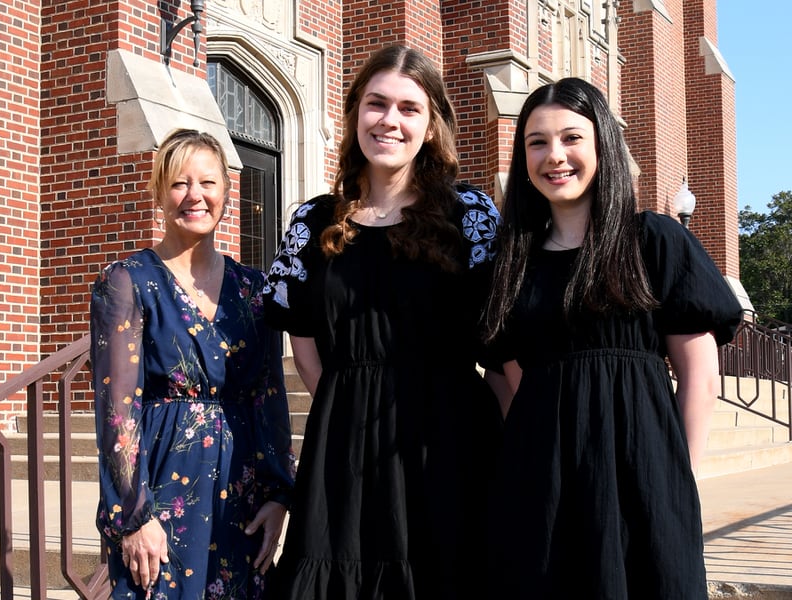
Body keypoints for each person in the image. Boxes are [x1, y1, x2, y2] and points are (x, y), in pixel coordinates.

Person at [481, 77, 743, 598]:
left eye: (571, 137)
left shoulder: (654, 240)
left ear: (602, 142)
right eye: (537, 142)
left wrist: (675, 475)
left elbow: (698, 372)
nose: (554, 155)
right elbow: (510, 375)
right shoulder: (512, 263)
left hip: (643, 469)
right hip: (541, 481)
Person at [261, 45, 501, 599]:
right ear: (354, 114)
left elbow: (500, 341)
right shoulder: (313, 221)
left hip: (449, 439)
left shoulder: (470, 214)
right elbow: (304, 347)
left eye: (409, 108)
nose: (389, 120)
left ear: (432, 123)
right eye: (376, 104)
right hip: (344, 446)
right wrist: (357, 404)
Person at [90, 129, 296, 599]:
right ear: (160, 191)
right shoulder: (127, 282)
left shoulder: (253, 289)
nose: (195, 196)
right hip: (163, 485)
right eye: (180, 183)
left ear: (226, 189)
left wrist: (279, 494)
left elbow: (269, 396)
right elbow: (116, 414)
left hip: (241, 493)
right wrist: (134, 515)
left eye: (207, 183)